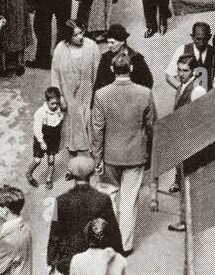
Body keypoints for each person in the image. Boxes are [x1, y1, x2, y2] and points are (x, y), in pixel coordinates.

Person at [90, 54, 157, 254]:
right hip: (136, 155)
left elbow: (97, 130)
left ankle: (108, 240)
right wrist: (149, 151)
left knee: (110, 196)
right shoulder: (144, 93)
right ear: (132, 68)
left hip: (110, 156)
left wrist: (97, 157)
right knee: (129, 201)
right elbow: (152, 125)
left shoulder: (101, 95)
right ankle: (125, 245)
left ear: (112, 69)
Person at [47, 154, 123, 275]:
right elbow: (112, 229)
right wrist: (118, 254)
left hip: (70, 258)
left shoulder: (60, 201)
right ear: (92, 174)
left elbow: (55, 234)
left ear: (71, 175)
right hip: (96, 256)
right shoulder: (103, 199)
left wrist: (50, 262)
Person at [167, 59, 209, 234]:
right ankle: (185, 218)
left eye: (184, 70)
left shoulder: (197, 90)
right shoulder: (182, 87)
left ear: (193, 72)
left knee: (187, 183)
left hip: (189, 140)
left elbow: (200, 117)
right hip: (181, 139)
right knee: (184, 182)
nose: (180, 74)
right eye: (179, 70)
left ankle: (186, 220)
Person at [51, 20, 101, 156]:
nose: (80, 37)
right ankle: (73, 162)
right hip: (69, 97)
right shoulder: (60, 49)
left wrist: (97, 96)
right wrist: (59, 97)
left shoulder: (92, 47)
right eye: (75, 35)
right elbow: (55, 76)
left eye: (81, 33)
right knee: (72, 128)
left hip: (87, 94)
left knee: (89, 125)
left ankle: (91, 159)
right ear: (68, 36)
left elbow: (98, 73)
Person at [94, 23, 153, 93]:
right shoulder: (106, 58)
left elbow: (148, 82)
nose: (109, 45)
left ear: (122, 42)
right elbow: (99, 83)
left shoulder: (136, 58)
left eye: (112, 42)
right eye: (108, 42)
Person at [26, 85, 66, 189]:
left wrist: (60, 115)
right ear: (46, 100)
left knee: (51, 159)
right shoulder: (41, 113)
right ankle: (29, 174)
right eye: (52, 103)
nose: (55, 106)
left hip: (53, 138)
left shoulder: (58, 110)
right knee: (37, 160)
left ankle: (49, 179)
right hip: (42, 138)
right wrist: (41, 141)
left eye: (57, 103)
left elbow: (60, 122)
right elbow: (37, 129)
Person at [166, 20, 215, 91]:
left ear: (209, 37)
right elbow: (169, 75)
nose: (202, 43)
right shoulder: (182, 50)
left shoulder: (214, 53)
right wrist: (182, 90)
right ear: (192, 37)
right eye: (198, 39)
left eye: (205, 39)